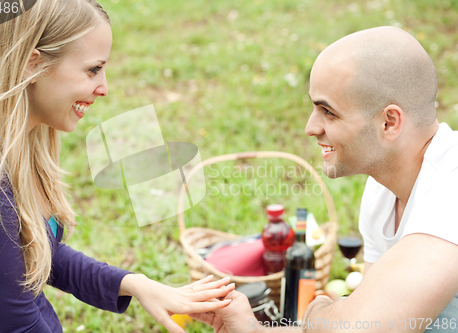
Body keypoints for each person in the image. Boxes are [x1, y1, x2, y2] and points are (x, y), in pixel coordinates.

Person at [0, 1, 235, 332]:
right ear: (33, 65)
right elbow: (17, 324)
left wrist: (138, 284)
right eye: (93, 70)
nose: (104, 88)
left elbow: (39, 256)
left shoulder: (13, 142)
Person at [190, 26, 458, 332]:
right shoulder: (381, 192)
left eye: (327, 111)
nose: (310, 127)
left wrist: (316, 311)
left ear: (389, 121)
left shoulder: (451, 189)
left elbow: (358, 327)